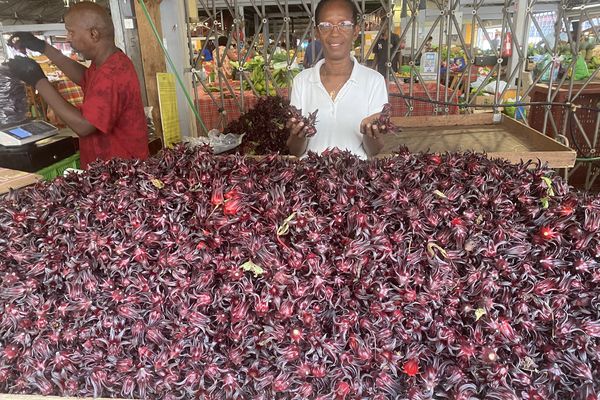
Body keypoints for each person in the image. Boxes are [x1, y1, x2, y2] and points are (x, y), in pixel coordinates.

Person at [7, 2, 148, 169]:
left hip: (120, 174)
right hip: (106, 169)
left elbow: (84, 126)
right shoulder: (106, 63)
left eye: (71, 32)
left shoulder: (113, 73)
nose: (67, 38)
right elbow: (84, 77)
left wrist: (38, 80)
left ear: (93, 34)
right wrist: (42, 47)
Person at [287, 0, 388, 158]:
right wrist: (297, 135)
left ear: (355, 31)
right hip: (311, 177)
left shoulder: (374, 81)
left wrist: (370, 133)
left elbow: (373, 151)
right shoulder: (302, 81)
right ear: (317, 32)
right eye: (326, 25)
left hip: (355, 177)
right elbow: (296, 151)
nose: (335, 32)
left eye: (344, 24)